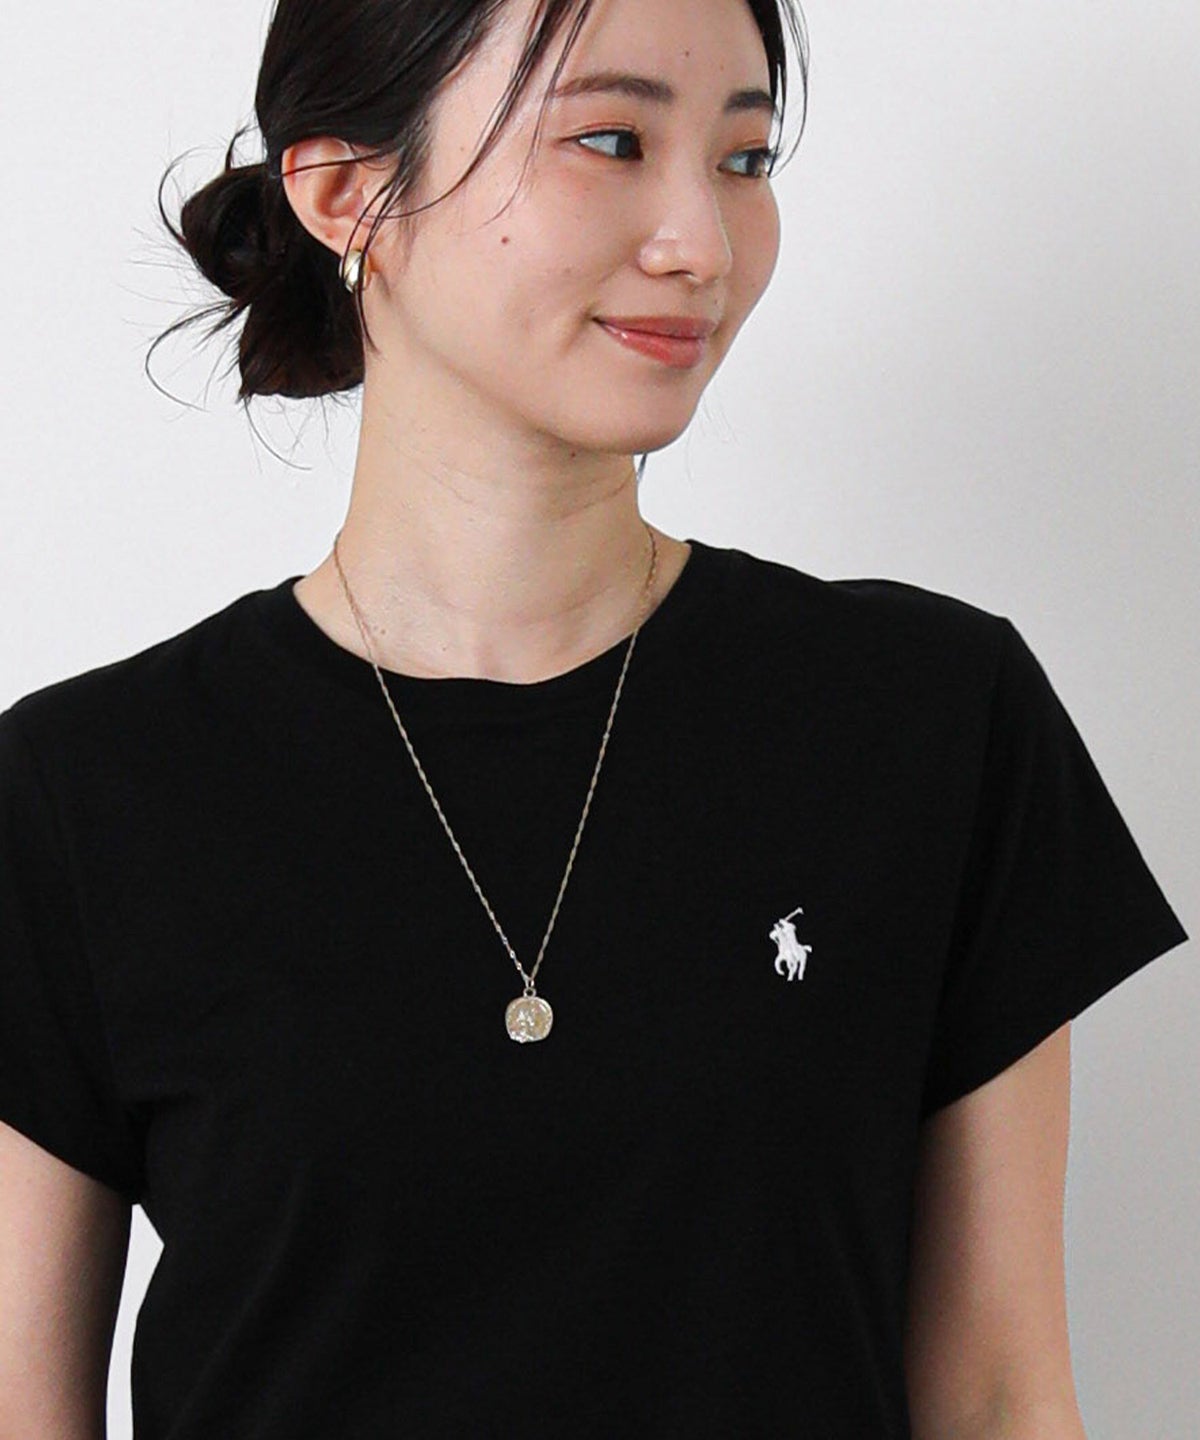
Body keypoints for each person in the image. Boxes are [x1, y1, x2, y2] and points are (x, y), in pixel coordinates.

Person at [0, 0, 1187, 1435]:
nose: (702, 244)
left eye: (744, 159)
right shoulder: (83, 792)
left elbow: (1000, 1397)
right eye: (612, 142)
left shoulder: (932, 720)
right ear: (346, 192)